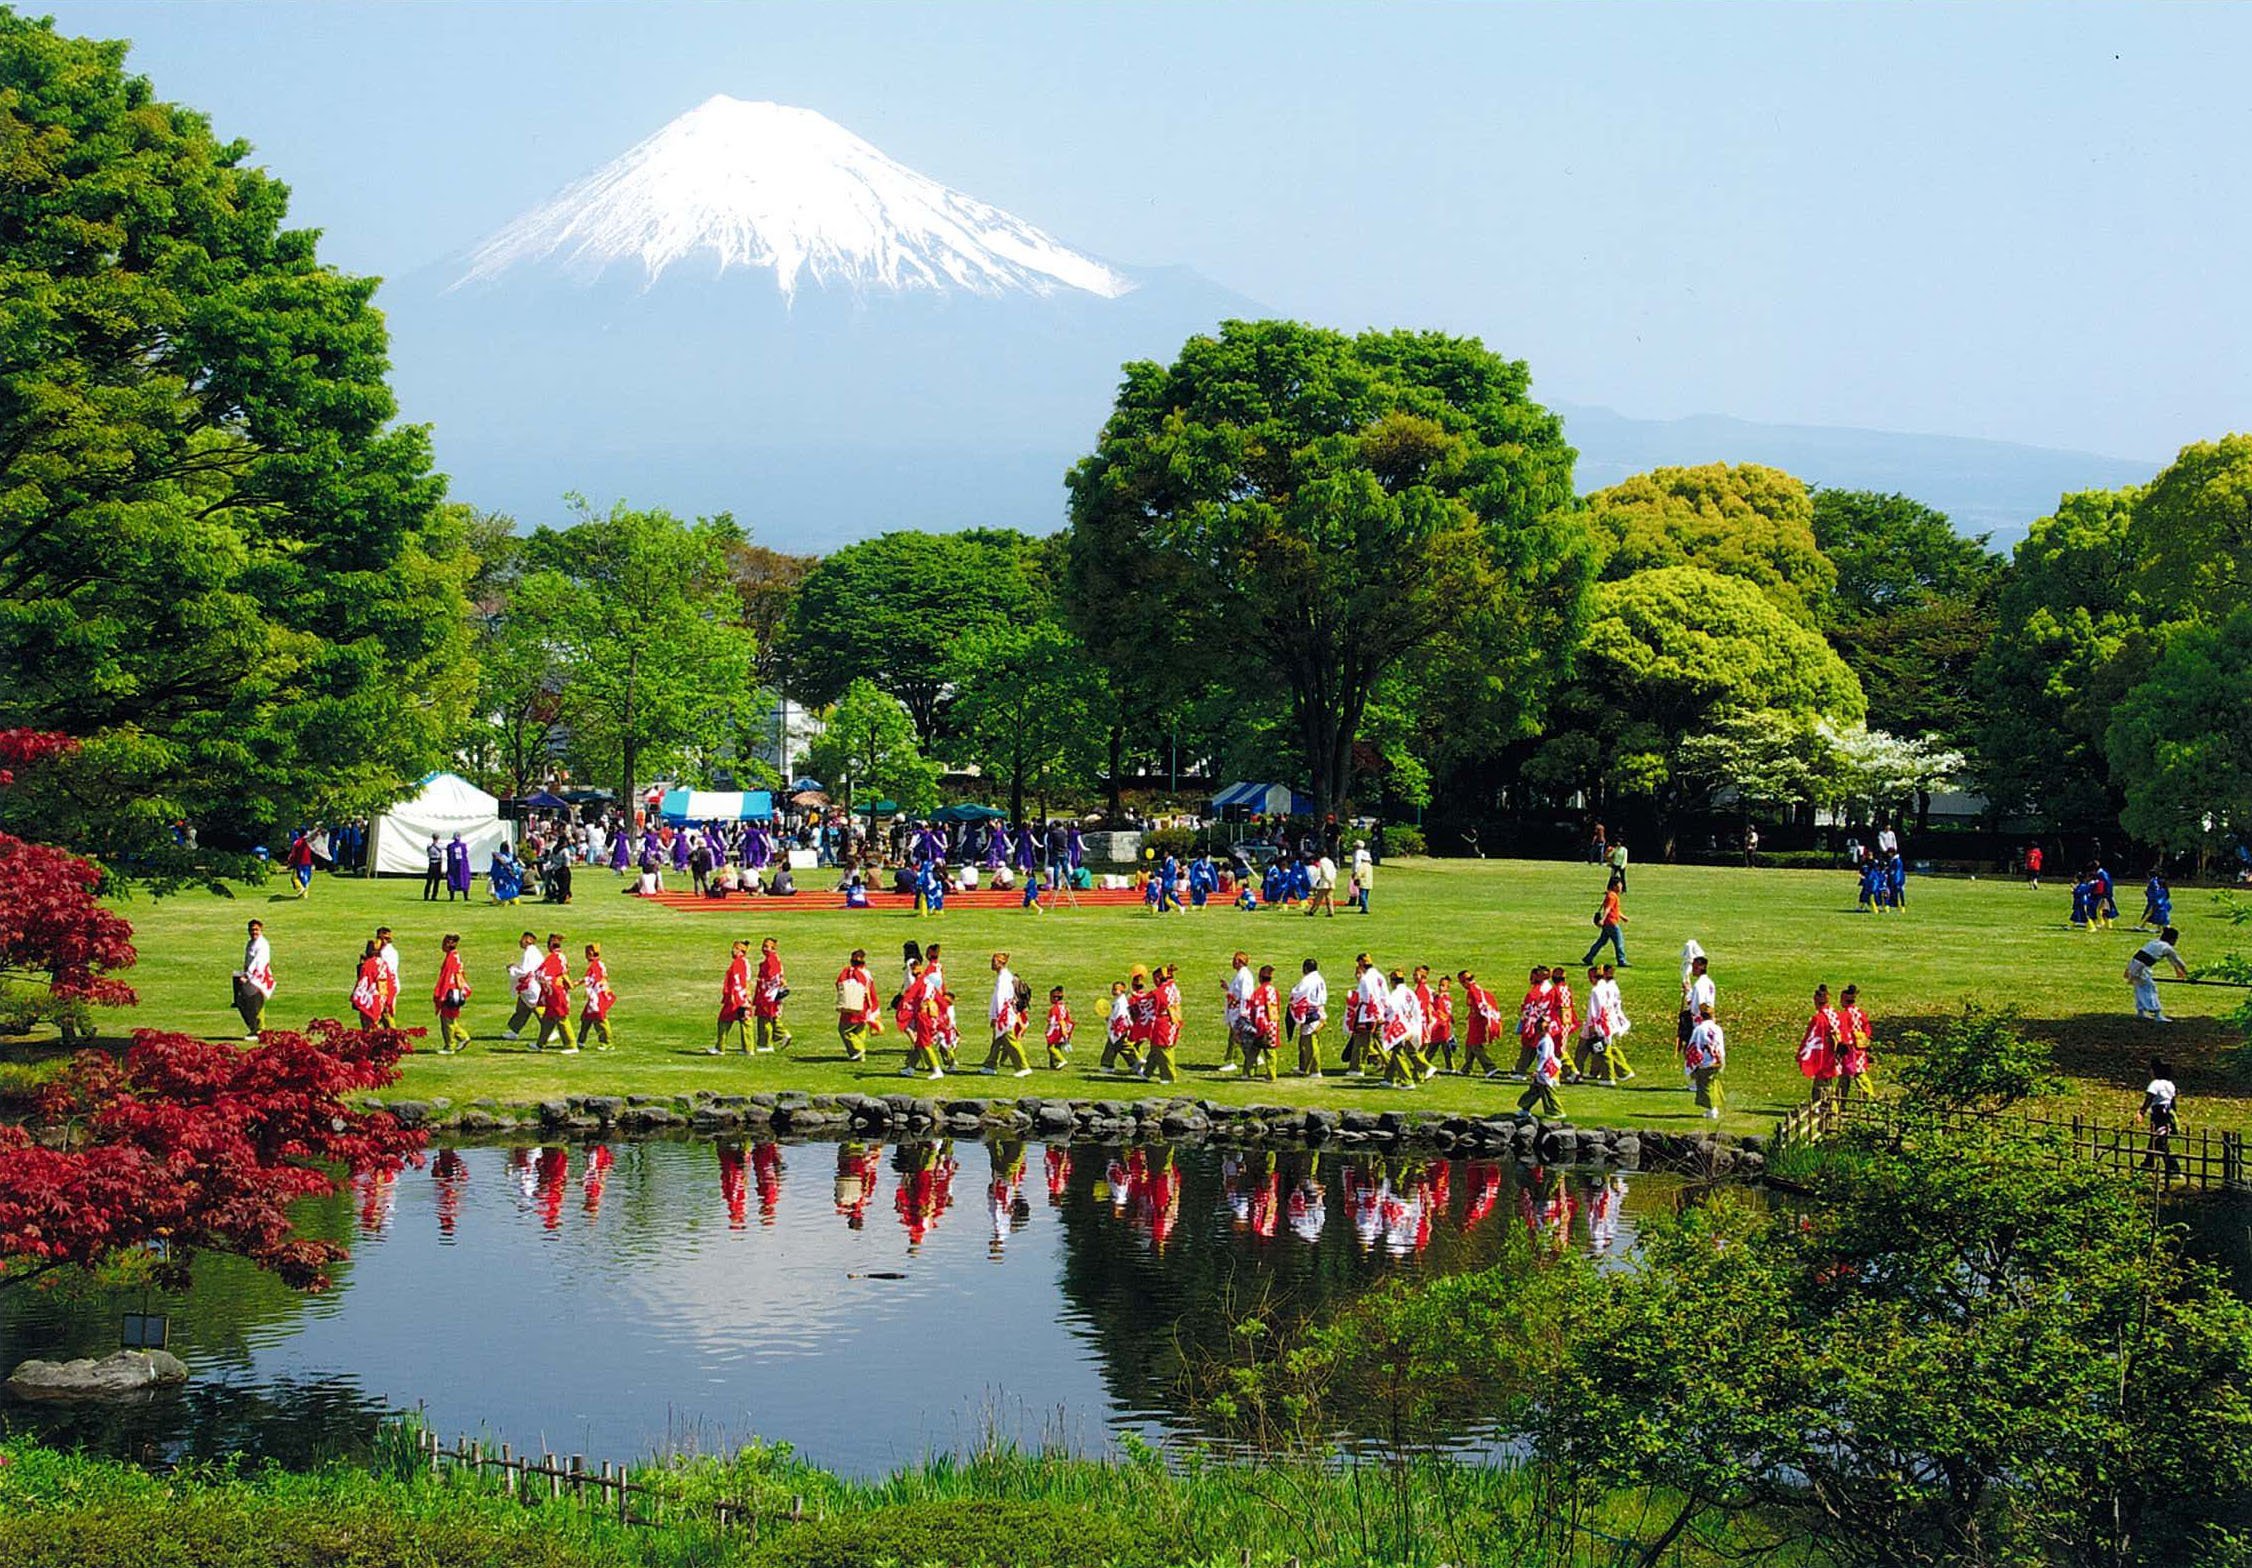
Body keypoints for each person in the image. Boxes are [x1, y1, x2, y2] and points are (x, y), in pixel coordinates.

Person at [982, 952, 1031, 1077]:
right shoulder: (1004, 976)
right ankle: (990, 1065)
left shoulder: (1003, 978)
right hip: (1004, 1013)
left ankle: (1023, 1066)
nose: (992, 964)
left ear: (1001, 963)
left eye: (995, 961)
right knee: (997, 1040)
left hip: (1004, 1015)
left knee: (1010, 1040)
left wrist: (996, 1016)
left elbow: (1000, 998)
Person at [2127, 926, 2188, 1022]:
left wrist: (2178, 971)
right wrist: (2188, 975)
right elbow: (2179, 962)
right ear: (2172, 939)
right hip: (2141, 969)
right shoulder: (2167, 948)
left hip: (2133, 964)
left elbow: (2173, 962)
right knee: (2150, 990)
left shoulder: (2154, 942)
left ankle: (2141, 1012)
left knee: (2140, 989)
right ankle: (2157, 1014)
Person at [1516, 1008, 1565, 1118]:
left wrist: (1538, 1070)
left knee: (1548, 1091)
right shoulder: (1544, 1039)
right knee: (1534, 1090)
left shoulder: (1545, 1041)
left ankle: (1556, 1111)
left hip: (1546, 1070)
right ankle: (1525, 1108)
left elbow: (1544, 1057)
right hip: (1544, 1069)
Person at [1797, 983, 1841, 1102]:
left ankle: (1823, 1105)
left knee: (1821, 1082)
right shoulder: (1834, 1014)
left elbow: (1811, 1038)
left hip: (1824, 1053)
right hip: (1834, 1053)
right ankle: (1830, 1104)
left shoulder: (1819, 1018)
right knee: (1828, 1081)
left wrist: (1802, 1053)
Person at [2141, 1056, 2182, 1181]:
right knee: (2156, 1138)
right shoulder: (2170, 1085)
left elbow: (2149, 1098)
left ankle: (2173, 1168)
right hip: (2167, 1113)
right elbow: (2173, 1102)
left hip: (2158, 1113)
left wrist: (2141, 1111)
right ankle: (2148, 1163)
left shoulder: (2155, 1084)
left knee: (2160, 1141)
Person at [234, 919, 274, 1040]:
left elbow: (259, 962)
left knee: (256, 1003)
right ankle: (253, 1028)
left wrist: (248, 975)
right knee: (242, 1002)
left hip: (258, 977)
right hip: (249, 976)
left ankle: (259, 1030)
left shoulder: (262, 944)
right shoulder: (250, 943)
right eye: (251, 929)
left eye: (256, 929)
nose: (253, 932)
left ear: (261, 930)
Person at [1457, 968, 1501, 1077]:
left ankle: (1490, 1067)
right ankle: (1466, 1068)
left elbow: (1482, 1007)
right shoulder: (1474, 990)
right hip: (1473, 1021)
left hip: (1477, 1023)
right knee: (1469, 1045)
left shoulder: (1474, 991)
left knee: (1475, 1046)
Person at [533, 934, 574, 1052]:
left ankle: (571, 1045)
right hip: (552, 992)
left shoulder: (555, 958)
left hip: (556, 993)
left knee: (561, 1017)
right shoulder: (559, 957)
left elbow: (546, 973)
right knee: (548, 1019)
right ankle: (540, 1044)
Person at [1685, 1002, 1726, 1119]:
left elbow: (1694, 1045)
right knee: (1713, 1083)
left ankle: (1711, 1110)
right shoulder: (1717, 1029)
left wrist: (1693, 1062)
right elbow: (1720, 1045)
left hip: (1705, 1061)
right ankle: (1715, 1107)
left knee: (1705, 1086)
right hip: (1717, 1059)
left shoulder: (1699, 1029)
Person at [1288, 958, 1328, 1077]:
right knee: (1305, 1041)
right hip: (1318, 1009)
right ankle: (1304, 1066)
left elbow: (1296, 993)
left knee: (1310, 1041)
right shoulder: (1319, 979)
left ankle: (1315, 1069)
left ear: (1305, 968)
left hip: (1311, 1012)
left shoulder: (1308, 980)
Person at [714, 940, 754, 1054]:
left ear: (740, 950)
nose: (732, 950)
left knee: (723, 1021)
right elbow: (747, 981)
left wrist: (734, 996)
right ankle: (748, 1049)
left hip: (736, 998)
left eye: (735, 948)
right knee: (746, 1021)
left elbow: (737, 980)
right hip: (743, 996)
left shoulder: (738, 963)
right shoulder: (745, 962)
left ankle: (720, 1048)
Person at [835, 948, 876, 1061]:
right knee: (859, 1030)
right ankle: (859, 1056)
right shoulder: (867, 973)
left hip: (851, 1006)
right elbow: (870, 991)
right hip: (864, 1007)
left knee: (845, 1029)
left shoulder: (849, 972)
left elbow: (839, 984)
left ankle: (858, 1049)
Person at [433, 934, 471, 1053]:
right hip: (455, 990)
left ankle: (450, 1045)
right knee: (451, 1018)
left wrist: (441, 994)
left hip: (451, 991)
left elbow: (448, 977)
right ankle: (463, 1037)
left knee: (447, 1019)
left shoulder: (451, 958)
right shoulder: (455, 956)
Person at [1145, 962, 1183, 1082]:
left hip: (1165, 1021)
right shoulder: (1173, 987)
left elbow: (1151, 1004)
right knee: (1155, 1048)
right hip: (1172, 1019)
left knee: (1164, 1049)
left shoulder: (1160, 992)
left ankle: (1169, 1076)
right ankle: (1147, 1072)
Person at [754, 937, 792, 1053]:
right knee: (772, 1017)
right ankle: (778, 1036)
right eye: (763, 946)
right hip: (770, 993)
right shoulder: (773, 959)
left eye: (767, 946)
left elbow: (772, 977)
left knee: (764, 1019)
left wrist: (761, 982)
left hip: (768, 994)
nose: (764, 949)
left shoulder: (771, 960)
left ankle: (766, 1043)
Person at [1218, 951, 1254, 1075]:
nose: (1233, 962)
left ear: (1240, 962)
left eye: (1235, 960)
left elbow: (1245, 995)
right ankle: (1233, 1058)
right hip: (1235, 1009)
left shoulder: (1245, 976)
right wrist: (1227, 988)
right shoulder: (1240, 975)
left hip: (1239, 1011)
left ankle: (1234, 1060)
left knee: (1238, 1037)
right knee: (1235, 1036)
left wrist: (1243, 1012)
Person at [502, 930, 542, 1039]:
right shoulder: (532, 952)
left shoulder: (530, 952)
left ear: (528, 940)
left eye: (522, 939)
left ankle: (549, 1031)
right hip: (529, 985)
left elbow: (526, 971)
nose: (520, 941)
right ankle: (514, 1030)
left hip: (531, 986)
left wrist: (512, 969)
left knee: (536, 1008)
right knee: (522, 1009)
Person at [1243, 964, 1281, 1081]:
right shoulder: (1274, 991)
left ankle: (1249, 1072)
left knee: (1253, 1051)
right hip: (1273, 1025)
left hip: (1261, 1025)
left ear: (1260, 977)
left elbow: (1257, 1011)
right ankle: (1271, 1074)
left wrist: (1257, 1026)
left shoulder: (1259, 992)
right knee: (1270, 1051)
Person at [1834, 983, 1871, 1097]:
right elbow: (1867, 1030)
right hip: (1860, 1047)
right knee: (1857, 1073)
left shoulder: (1844, 1015)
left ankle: (1840, 1101)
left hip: (1849, 1049)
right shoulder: (1860, 1013)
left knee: (1851, 1075)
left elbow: (1843, 1032)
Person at [1583, 874, 1628, 966]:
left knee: (1601, 942)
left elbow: (1614, 910)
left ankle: (1588, 957)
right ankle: (1621, 960)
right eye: (1620, 885)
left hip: (1608, 923)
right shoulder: (1612, 896)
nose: (1621, 887)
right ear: (1614, 886)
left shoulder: (1611, 895)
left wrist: (1622, 917)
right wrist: (1602, 919)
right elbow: (1607, 909)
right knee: (1619, 942)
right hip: (1611, 923)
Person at [578, 942, 615, 1050]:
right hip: (596, 995)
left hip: (598, 997)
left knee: (600, 1018)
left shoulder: (595, 966)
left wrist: (577, 983)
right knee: (586, 1018)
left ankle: (607, 1042)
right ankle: (581, 1041)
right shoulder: (599, 964)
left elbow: (594, 980)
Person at [350, 939, 389, 1029]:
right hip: (381, 998)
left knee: (369, 1028)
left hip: (370, 1000)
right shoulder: (383, 963)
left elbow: (362, 983)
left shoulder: (368, 965)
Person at [1101, 979, 1137, 1074]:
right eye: (1113, 989)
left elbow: (1121, 1015)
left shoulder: (1121, 1002)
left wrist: (1115, 1025)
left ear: (1123, 990)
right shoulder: (1118, 1001)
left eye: (1116, 989)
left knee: (1113, 1046)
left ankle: (1107, 1065)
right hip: (1118, 1027)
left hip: (1119, 1028)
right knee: (1120, 1047)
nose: (1113, 991)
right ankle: (1134, 1063)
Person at [374, 927, 401, 1027]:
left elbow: (384, 973)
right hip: (391, 984)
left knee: (386, 1013)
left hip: (386, 985)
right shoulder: (392, 951)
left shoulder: (385, 953)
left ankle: (392, 1037)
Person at [1043, 985, 1075, 1069]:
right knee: (1057, 1047)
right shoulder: (1064, 1007)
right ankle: (1054, 1064)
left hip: (1056, 1029)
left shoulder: (1054, 1008)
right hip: (1063, 1028)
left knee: (1050, 1047)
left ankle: (1061, 1060)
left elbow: (1053, 1021)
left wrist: (1048, 1031)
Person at [445, 833, 473, 900]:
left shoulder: (451, 846)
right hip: (461, 866)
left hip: (454, 865)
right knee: (463, 879)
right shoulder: (462, 845)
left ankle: (452, 897)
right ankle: (465, 897)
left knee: (454, 879)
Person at [1351, 840, 1373, 914]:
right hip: (1369, 882)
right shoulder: (1369, 866)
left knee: (1362, 895)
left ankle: (1365, 908)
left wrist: (1355, 876)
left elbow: (1357, 865)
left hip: (1363, 882)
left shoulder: (1361, 862)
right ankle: (1363, 906)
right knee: (1365, 895)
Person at [423, 836, 445, 901]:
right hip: (437, 863)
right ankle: (434, 896)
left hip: (431, 863)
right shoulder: (440, 846)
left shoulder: (429, 845)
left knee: (429, 881)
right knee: (436, 881)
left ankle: (426, 896)